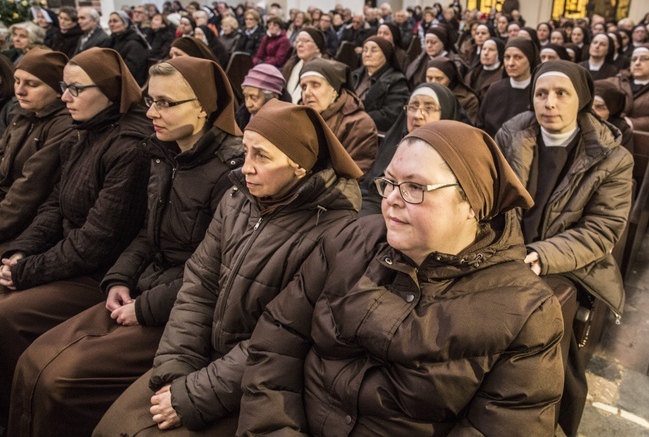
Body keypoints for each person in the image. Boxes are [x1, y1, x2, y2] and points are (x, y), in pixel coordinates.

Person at [238, 119, 565, 436]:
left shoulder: (526, 311)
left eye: (414, 187)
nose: (391, 198)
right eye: (389, 182)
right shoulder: (352, 239)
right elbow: (277, 340)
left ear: (473, 205)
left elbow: (503, 426)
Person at [94, 99, 363, 436]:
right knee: (112, 426)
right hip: (202, 357)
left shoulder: (335, 233)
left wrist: (196, 393)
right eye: (246, 151)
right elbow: (199, 286)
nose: (245, 167)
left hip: (261, 385)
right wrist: (177, 371)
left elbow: (284, 341)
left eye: (261, 156)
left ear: (299, 166)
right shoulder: (238, 199)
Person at [7, 57, 244, 437]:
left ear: (202, 106)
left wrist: (144, 307)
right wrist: (119, 277)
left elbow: (214, 271)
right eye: (151, 100)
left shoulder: (231, 171)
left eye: (166, 102)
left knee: (60, 380)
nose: (152, 111)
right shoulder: (163, 152)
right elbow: (145, 233)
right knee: (33, 360)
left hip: (180, 307)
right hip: (140, 286)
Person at [0, 47, 151, 430]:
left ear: (110, 92)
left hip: (97, 274)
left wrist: (26, 272)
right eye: (64, 88)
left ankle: (25, 418)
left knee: (8, 315)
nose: (65, 96)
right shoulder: (81, 133)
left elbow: (97, 243)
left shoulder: (130, 147)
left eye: (75, 89)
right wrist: (21, 251)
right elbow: (54, 207)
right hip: (67, 256)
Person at [496, 60, 633, 436]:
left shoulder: (612, 157)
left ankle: (548, 412)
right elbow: (489, 194)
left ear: (582, 100)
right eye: (541, 94)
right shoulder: (512, 133)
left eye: (561, 94)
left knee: (535, 320)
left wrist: (542, 255)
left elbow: (602, 230)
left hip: (570, 261)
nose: (549, 103)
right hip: (507, 247)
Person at [0, 49, 72, 245]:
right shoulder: (23, 113)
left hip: (28, 223)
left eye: (32, 84)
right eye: (17, 81)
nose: (20, 90)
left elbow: (30, 187)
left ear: (59, 90)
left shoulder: (64, 125)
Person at [359, 83, 460, 216]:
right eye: (413, 106)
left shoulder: (455, 157)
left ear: (445, 113)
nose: (418, 115)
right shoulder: (395, 141)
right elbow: (372, 191)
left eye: (429, 107)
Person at [299, 59, 378, 175]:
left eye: (315, 85)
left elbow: (352, 175)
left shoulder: (359, 124)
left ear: (334, 91)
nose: (307, 93)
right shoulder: (298, 118)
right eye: (304, 87)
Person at [476, 37, 539, 136]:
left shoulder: (537, 91)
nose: (510, 63)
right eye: (507, 57)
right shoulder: (495, 89)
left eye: (518, 57)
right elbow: (481, 124)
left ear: (530, 59)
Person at [352, 36, 409, 132]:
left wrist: (355, 118)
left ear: (386, 55)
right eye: (365, 50)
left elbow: (390, 115)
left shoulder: (397, 81)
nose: (367, 54)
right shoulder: (354, 75)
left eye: (374, 51)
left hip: (372, 133)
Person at [281, 27, 327, 104]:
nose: (299, 45)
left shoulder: (325, 69)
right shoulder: (292, 63)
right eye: (298, 41)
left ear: (317, 48)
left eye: (306, 41)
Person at [426, 56, 479, 122]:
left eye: (439, 78)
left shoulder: (468, 100)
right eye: (429, 78)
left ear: (450, 79)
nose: (433, 82)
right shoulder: (422, 96)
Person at [235, 63, 287, 129]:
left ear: (273, 98)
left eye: (254, 97)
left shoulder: (284, 124)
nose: (248, 104)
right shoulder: (241, 116)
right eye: (246, 96)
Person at [107, 11, 150, 86]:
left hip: (131, 84)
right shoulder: (113, 40)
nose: (111, 24)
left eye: (115, 21)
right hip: (118, 80)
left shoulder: (134, 44)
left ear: (126, 24)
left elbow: (130, 71)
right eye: (110, 21)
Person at [593, 79, 633, 152]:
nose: (591, 111)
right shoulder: (576, 121)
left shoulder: (621, 130)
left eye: (599, 107)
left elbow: (623, 161)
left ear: (612, 111)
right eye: (589, 105)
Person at [464, 37, 504, 102]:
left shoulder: (503, 77)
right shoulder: (472, 73)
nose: (486, 53)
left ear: (500, 53)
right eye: (484, 49)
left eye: (491, 50)